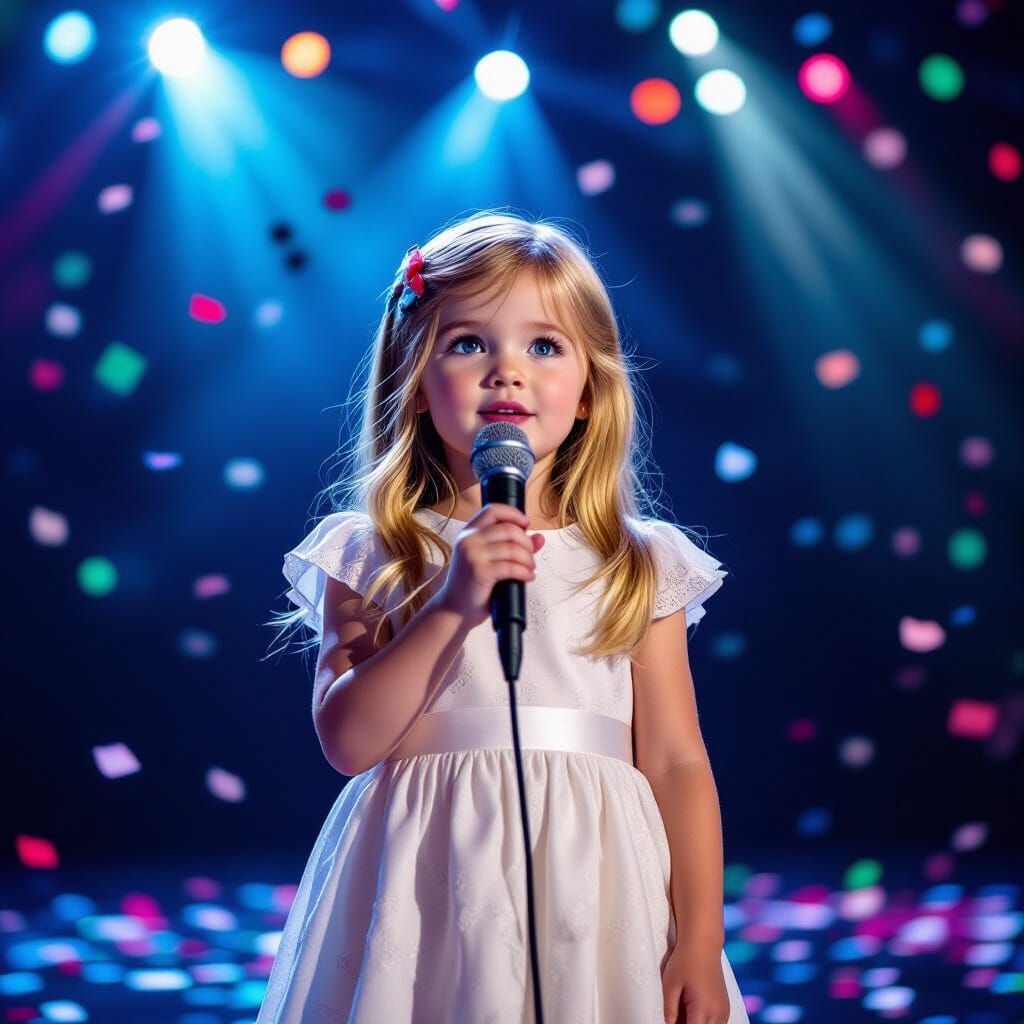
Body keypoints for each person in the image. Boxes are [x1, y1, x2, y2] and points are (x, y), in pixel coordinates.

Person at [259, 210, 749, 1023]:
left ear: (591, 390)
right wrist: (453, 604)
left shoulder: (637, 559)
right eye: (468, 343)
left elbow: (676, 762)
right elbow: (348, 742)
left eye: (544, 346)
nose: (506, 373)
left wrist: (699, 938)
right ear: (415, 382)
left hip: (597, 885)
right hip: (423, 887)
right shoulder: (372, 548)